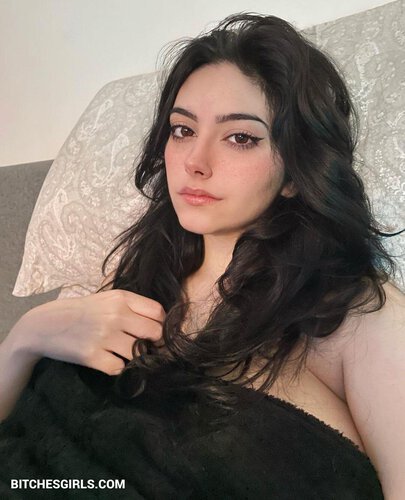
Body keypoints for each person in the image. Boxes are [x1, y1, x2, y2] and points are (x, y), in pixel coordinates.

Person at [0, 12, 404, 499]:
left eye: (240, 137)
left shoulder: (357, 314)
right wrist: (27, 337)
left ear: (297, 173)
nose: (195, 161)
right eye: (182, 130)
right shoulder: (142, 274)